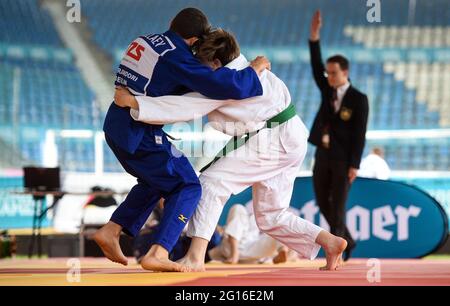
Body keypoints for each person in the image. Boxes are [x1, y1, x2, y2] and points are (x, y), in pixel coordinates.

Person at [115, 28, 348, 271]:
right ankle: (330, 242)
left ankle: (195, 257)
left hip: (273, 140)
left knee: (211, 183)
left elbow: (184, 107)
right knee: (271, 215)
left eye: (203, 65)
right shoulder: (248, 68)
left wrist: (136, 103)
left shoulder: (227, 82)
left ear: (216, 62)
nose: (199, 71)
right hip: (289, 137)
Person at [94, 8, 270, 272]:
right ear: (194, 40)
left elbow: (164, 82)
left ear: (171, 24)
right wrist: (253, 71)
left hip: (117, 125)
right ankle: (160, 251)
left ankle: (112, 229)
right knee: (188, 185)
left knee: (156, 181)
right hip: (139, 132)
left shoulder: (145, 41)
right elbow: (219, 85)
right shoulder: (177, 56)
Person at [308, 11, 369, 261]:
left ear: (345, 72)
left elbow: (360, 134)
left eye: (333, 73)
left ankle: (336, 255)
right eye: (328, 73)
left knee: (338, 206)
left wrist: (355, 164)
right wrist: (314, 37)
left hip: (344, 160)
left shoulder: (359, 99)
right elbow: (315, 65)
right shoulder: (327, 90)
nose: (329, 77)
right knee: (323, 201)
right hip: (322, 155)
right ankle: (347, 241)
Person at [208, 203, 298, 264]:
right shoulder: (240, 220)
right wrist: (219, 229)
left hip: (250, 249)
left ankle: (282, 250)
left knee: (277, 228)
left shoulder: (252, 220)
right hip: (235, 248)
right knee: (238, 209)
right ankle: (234, 254)